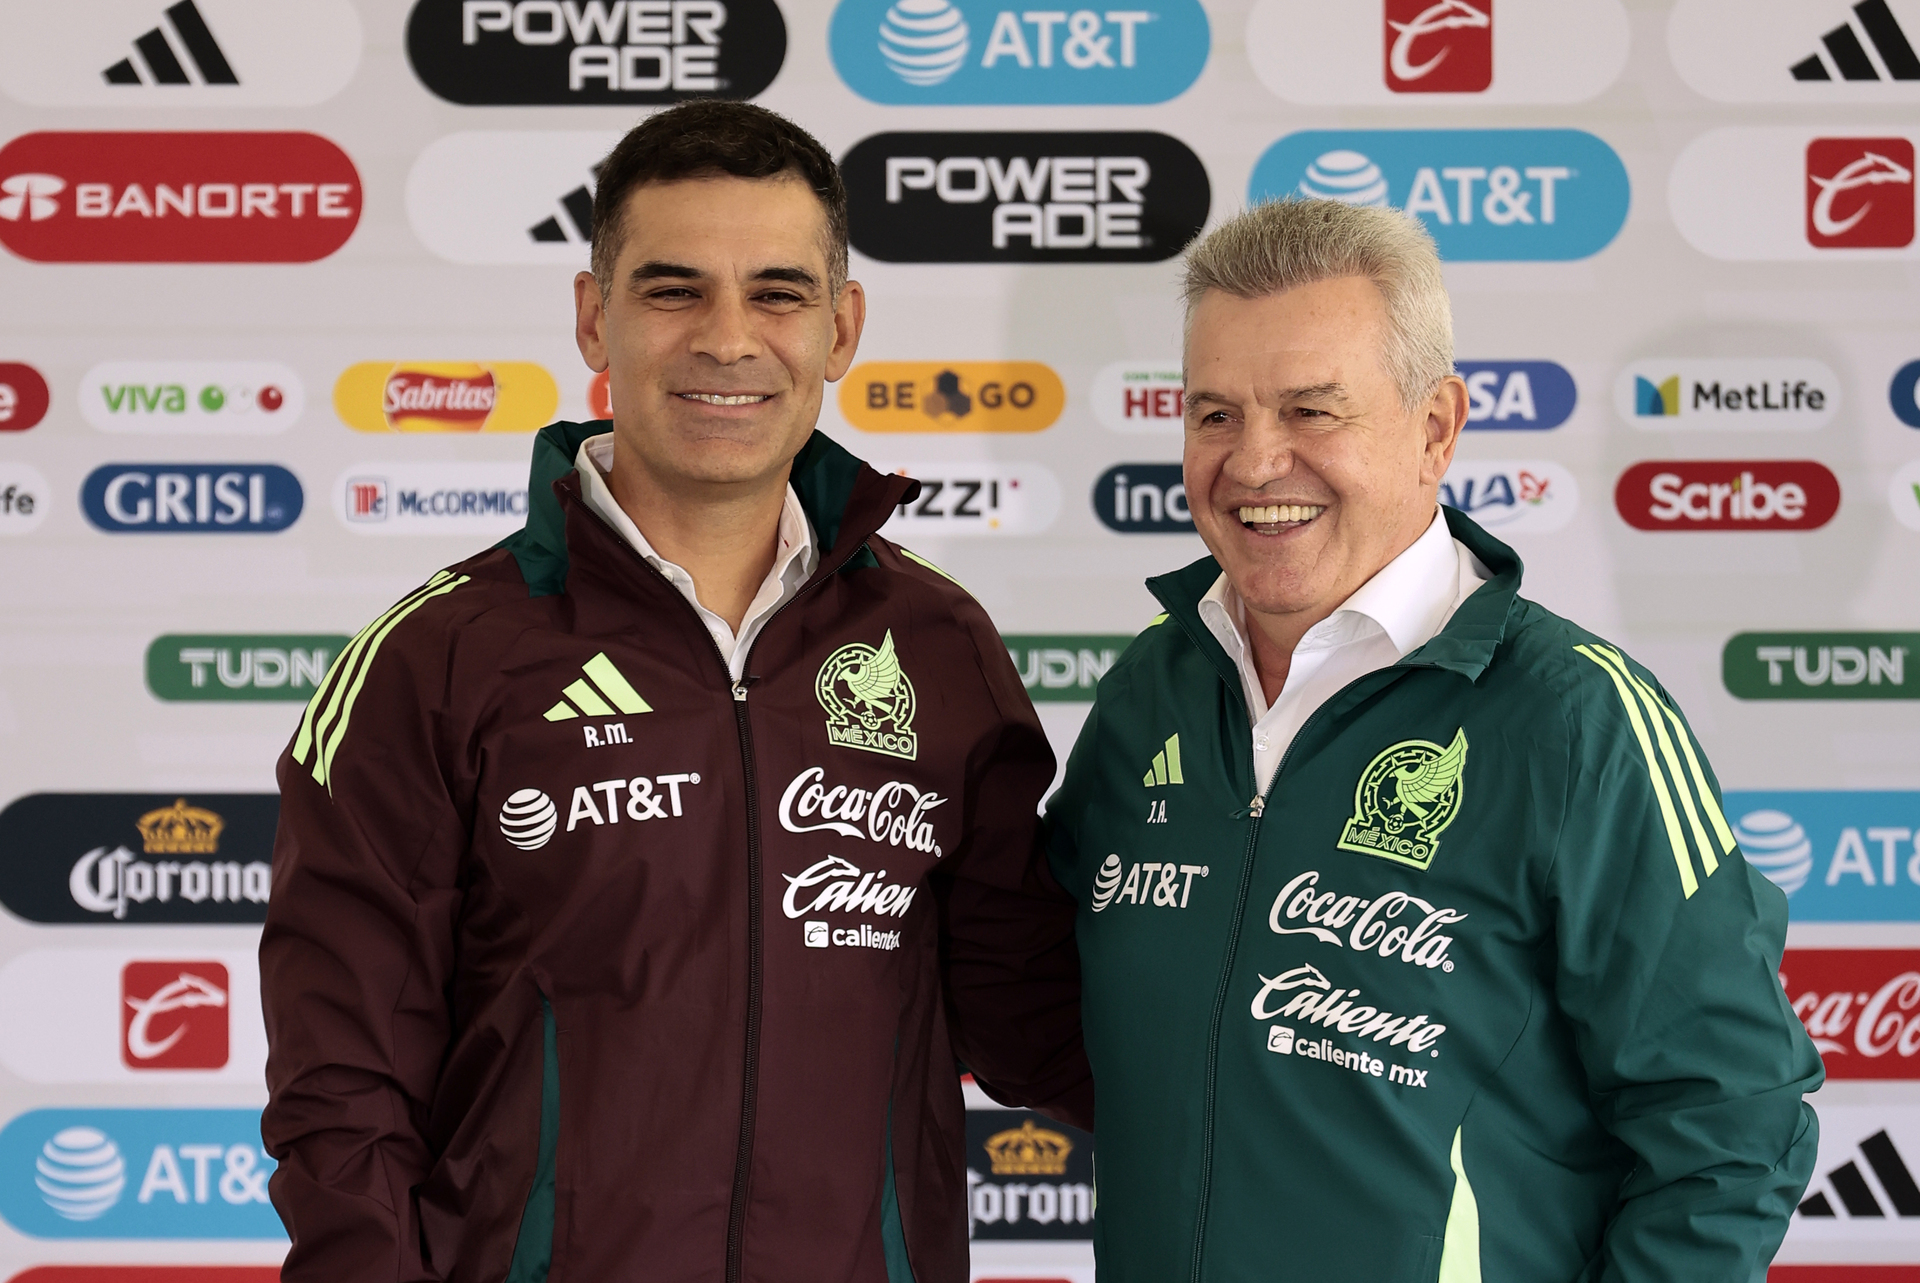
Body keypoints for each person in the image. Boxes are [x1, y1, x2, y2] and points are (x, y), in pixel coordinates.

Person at [260, 101, 1090, 1283]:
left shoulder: (940, 644)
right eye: (673, 289)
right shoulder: (435, 657)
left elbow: (1037, 1018)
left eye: (777, 293)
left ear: (843, 327)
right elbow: (342, 1090)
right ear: (594, 318)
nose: (727, 338)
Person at [1044, 199, 1822, 1281]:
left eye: (1312, 410)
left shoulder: (1579, 720)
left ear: (1436, 427)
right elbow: (1045, 1002)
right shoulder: (1151, 690)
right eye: (1215, 413)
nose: (1255, 462)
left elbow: (1732, 1122)